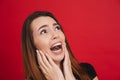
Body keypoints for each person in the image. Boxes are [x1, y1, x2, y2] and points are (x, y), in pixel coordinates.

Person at [22, 11, 98, 80]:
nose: (55, 35)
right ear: (32, 45)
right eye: (44, 31)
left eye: (57, 28)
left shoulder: (86, 71)